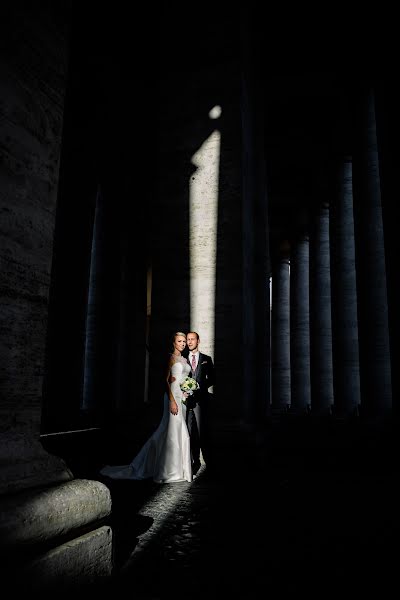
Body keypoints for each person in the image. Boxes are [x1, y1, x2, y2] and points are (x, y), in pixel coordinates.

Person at [100, 332, 192, 483]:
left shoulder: (184, 359)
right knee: (171, 431)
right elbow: (166, 381)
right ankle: (167, 470)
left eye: (183, 341)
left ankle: (178, 469)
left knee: (171, 431)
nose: (182, 344)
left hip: (182, 398)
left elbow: (183, 379)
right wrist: (172, 401)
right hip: (172, 398)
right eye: (179, 341)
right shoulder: (172, 358)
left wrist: (186, 390)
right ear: (173, 343)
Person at [184, 331, 215, 475]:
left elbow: (213, 378)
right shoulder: (183, 358)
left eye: (192, 339)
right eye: (188, 339)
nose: (189, 342)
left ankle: (209, 464)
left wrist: (199, 386)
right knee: (189, 433)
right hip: (187, 403)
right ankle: (192, 463)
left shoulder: (206, 359)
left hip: (202, 402)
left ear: (198, 341)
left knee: (204, 432)